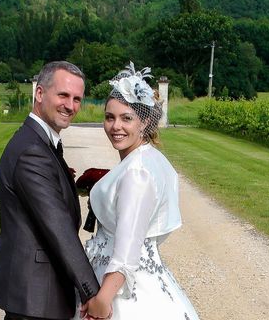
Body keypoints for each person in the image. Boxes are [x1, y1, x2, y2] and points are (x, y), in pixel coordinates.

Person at [77, 63, 200, 320]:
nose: (115, 126)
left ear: (144, 121)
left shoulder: (137, 173)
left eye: (126, 118)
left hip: (120, 292)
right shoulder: (147, 159)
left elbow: (126, 252)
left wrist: (103, 299)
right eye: (110, 117)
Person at [0, 61, 100, 320]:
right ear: (39, 94)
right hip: (36, 299)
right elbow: (59, 229)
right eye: (63, 95)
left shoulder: (40, 142)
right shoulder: (32, 151)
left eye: (77, 99)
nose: (70, 106)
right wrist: (93, 294)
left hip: (38, 297)